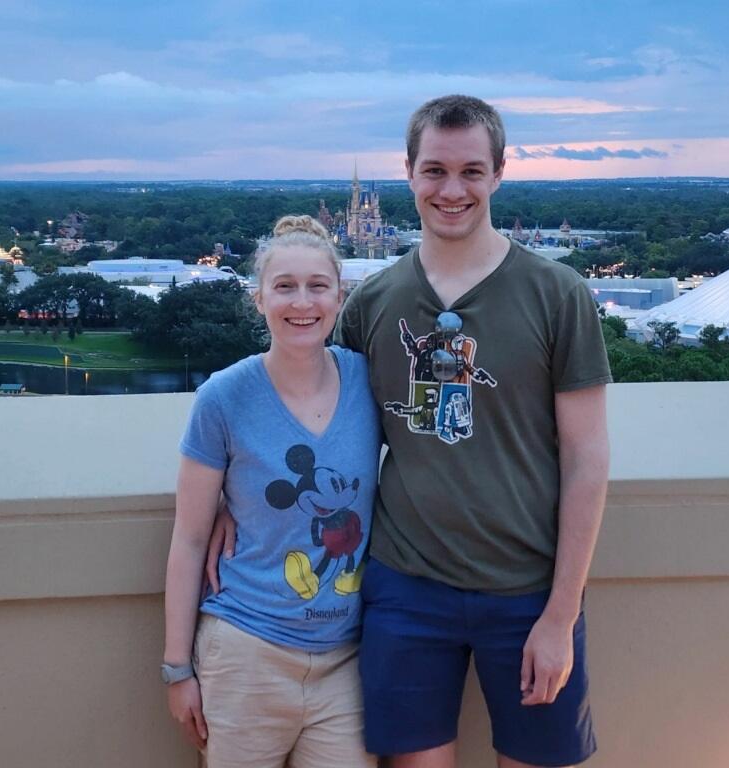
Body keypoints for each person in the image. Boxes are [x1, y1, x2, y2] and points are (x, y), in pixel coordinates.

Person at [210, 95, 611, 768]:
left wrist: (560, 615)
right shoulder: (373, 302)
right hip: (406, 589)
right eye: (434, 171)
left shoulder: (558, 294)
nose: (451, 190)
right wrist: (232, 490)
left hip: (528, 592)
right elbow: (316, 415)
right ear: (409, 173)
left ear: (499, 174)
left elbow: (587, 459)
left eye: (471, 172)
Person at [163, 215, 380, 768]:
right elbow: (189, 540)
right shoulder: (223, 398)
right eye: (284, 286)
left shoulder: (369, 381)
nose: (301, 302)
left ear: (339, 296)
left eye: (317, 286)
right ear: (259, 299)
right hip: (245, 652)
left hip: (345, 661)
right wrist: (177, 669)